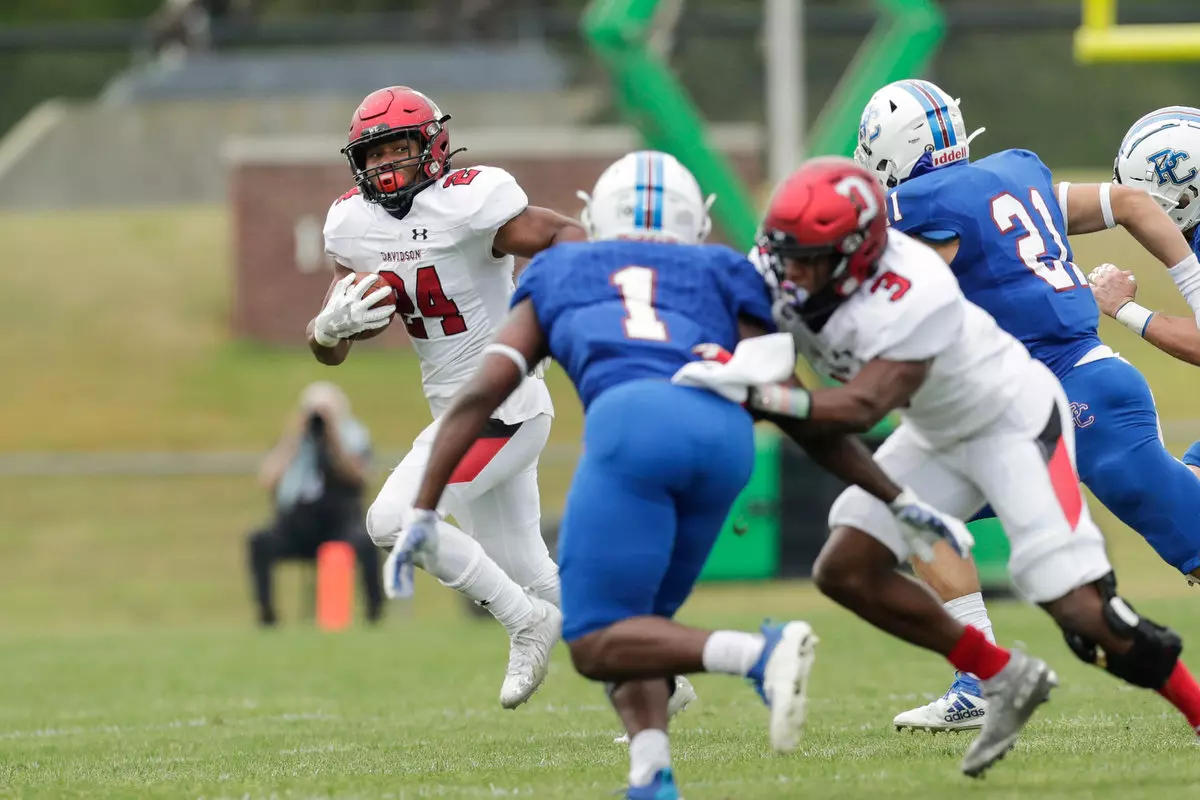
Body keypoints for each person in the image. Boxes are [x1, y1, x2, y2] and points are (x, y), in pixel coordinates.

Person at [379, 150, 977, 798]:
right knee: (644, 624)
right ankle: (651, 773)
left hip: (634, 425)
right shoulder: (723, 268)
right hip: (725, 443)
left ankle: (759, 655)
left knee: (593, 636)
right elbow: (795, 407)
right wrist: (896, 495)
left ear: (594, 214)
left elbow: (481, 394)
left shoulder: (565, 267)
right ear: (698, 221)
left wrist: (422, 507)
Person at [753, 156, 1200, 776]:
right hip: (937, 431)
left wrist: (761, 395)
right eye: (787, 253)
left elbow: (860, 408)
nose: (794, 272)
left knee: (1078, 610)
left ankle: (1196, 707)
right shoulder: (782, 273)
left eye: (811, 259)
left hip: (1013, 419)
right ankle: (995, 674)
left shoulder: (916, 290)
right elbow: (763, 343)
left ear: (859, 252)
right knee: (845, 565)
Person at [854, 79, 1200, 731]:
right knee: (910, 508)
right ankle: (980, 679)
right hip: (1054, 400)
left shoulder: (916, 208)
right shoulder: (1015, 175)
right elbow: (1129, 201)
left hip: (1071, 396)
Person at [306, 85, 587, 709]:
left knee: (393, 520)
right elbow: (329, 348)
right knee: (532, 569)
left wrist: (547, 308)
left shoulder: (470, 202)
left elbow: (569, 237)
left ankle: (525, 622)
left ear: (430, 147)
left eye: (397, 148)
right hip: (462, 415)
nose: (384, 166)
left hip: (504, 405)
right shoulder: (354, 224)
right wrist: (328, 328)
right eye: (373, 155)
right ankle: (654, 673)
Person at [248, 382, 382, 627]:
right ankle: (267, 615)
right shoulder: (294, 442)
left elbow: (361, 476)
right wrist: (294, 439)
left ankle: (375, 614)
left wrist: (334, 441)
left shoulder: (353, 436)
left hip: (339, 522)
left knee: (367, 543)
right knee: (259, 541)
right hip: (298, 524)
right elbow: (267, 479)